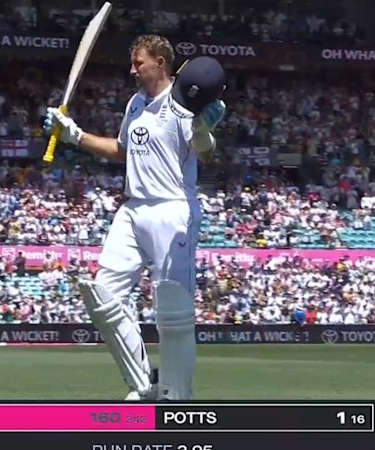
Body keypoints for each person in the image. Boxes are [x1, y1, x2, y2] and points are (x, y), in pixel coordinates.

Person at [44, 35, 227, 400]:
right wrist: (74, 135)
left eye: (139, 62)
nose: (132, 70)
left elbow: (206, 154)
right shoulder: (136, 103)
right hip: (132, 208)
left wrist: (204, 130)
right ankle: (143, 384)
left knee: (173, 311)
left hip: (172, 208)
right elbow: (122, 150)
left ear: (160, 62)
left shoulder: (184, 102)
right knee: (104, 296)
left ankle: (177, 397)